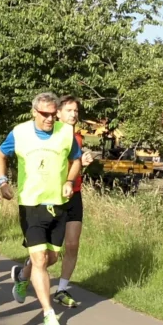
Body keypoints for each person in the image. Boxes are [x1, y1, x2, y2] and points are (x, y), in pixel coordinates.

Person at [0, 92, 82, 325]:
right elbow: (0, 154)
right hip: (31, 204)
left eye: (53, 114)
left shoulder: (65, 132)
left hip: (59, 203)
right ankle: (49, 314)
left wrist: (70, 181)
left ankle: (22, 275)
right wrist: (2, 181)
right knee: (41, 259)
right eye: (45, 114)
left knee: (51, 259)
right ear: (34, 112)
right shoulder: (19, 132)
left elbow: (76, 159)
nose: (50, 119)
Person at [53, 95, 95, 308]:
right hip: (52, 196)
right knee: (49, 253)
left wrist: (83, 163)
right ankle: (25, 273)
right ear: (58, 113)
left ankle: (61, 289)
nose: (74, 114)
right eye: (69, 110)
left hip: (74, 194)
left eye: (76, 110)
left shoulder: (77, 137)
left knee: (72, 244)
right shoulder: (51, 135)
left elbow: (74, 165)